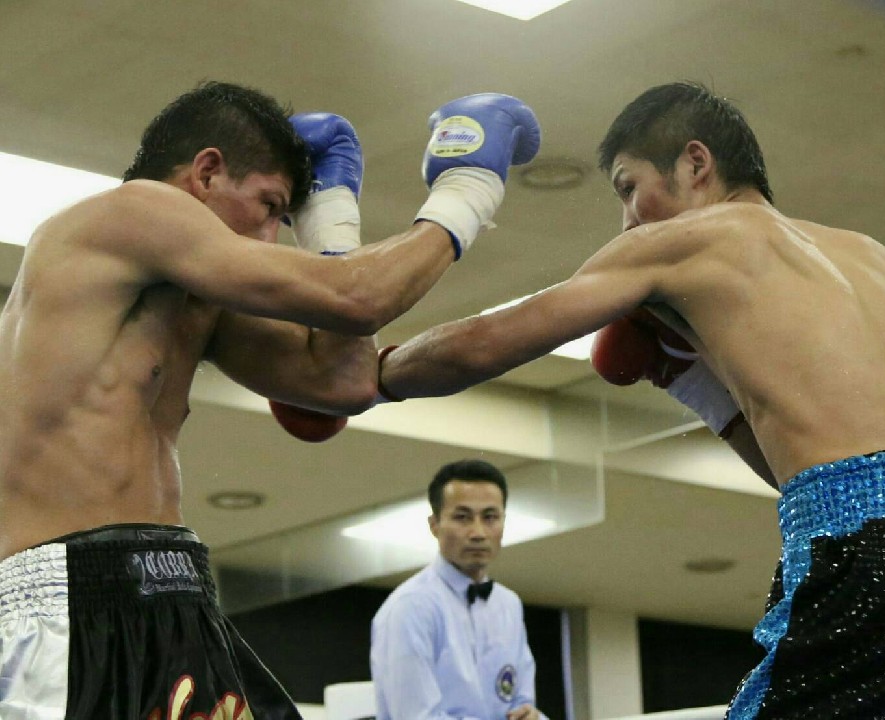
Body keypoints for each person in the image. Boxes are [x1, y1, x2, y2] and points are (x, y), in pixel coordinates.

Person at [373, 81, 885, 718]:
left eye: (629, 187)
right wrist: (688, 380)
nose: (629, 219)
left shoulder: (687, 241)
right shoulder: (876, 258)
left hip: (866, 556)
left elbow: (487, 343)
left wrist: (375, 377)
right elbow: (818, 468)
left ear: (695, 163)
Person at [0, 81, 539, 719]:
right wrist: (467, 188)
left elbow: (344, 381)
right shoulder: (133, 211)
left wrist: (330, 215)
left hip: (175, 594)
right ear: (206, 171)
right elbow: (356, 298)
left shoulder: (194, 303)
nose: (269, 239)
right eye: (269, 207)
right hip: (68, 603)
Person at [370, 459, 546, 720]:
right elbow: (416, 717)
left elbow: (522, 702)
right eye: (462, 517)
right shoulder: (410, 608)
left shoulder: (508, 604)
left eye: (490, 517)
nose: (478, 532)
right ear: (434, 525)